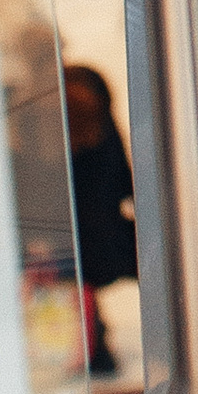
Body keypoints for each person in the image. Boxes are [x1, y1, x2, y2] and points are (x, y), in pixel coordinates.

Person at [65, 64, 136, 378]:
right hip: (110, 239)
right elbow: (124, 182)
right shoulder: (99, 114)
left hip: (70, 246)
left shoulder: (42, 123)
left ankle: (96, 347)